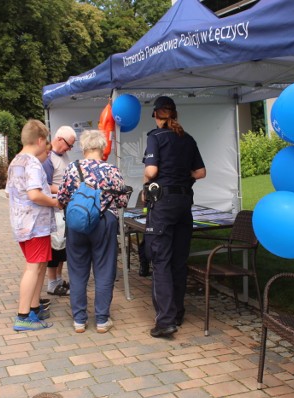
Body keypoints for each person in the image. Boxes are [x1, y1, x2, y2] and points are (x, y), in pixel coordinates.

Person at [143, 96, 206, 338]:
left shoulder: (155, 137)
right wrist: (182, 174)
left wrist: (147, 180)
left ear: (157, 116)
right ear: (174, 114)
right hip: (184, 203)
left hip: (164, 203)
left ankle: (166, 321)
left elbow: (151, 171)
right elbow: (200, 172)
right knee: (179, 261)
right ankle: (178, 312)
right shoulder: (187, 138)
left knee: (161, 260)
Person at [57, 130, 130, 334]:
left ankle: (79, 320)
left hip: (77, 223)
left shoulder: (72, 168)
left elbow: (61, 199)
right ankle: (101, 320)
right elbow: (123, 201)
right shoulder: (112, 170)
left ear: (83, 147)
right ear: (103, 147)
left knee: (78, 272)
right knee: (104, 270)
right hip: (104, 222)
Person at [5, 119, 60, 331]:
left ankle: (35, 308)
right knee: (33, 268)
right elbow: (35, 194)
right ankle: (23, 316)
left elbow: (13, 192)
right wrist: (55, 202)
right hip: (35, 224)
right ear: (39, 140)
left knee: (39, 265)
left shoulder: (16, 162)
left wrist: (54, 190)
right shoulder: (33, 163)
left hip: (21, 224)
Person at [42, 125, 76, 297]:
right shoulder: (48, 159)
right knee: (55, 247)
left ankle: (58, 280)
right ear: (59, 139)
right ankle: (52, 283)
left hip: (63, 207)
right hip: (54, 208)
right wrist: (64, 189)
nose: (70, 149)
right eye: (69, 145)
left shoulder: (64, 155)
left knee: (61, 247)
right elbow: (45, 185)